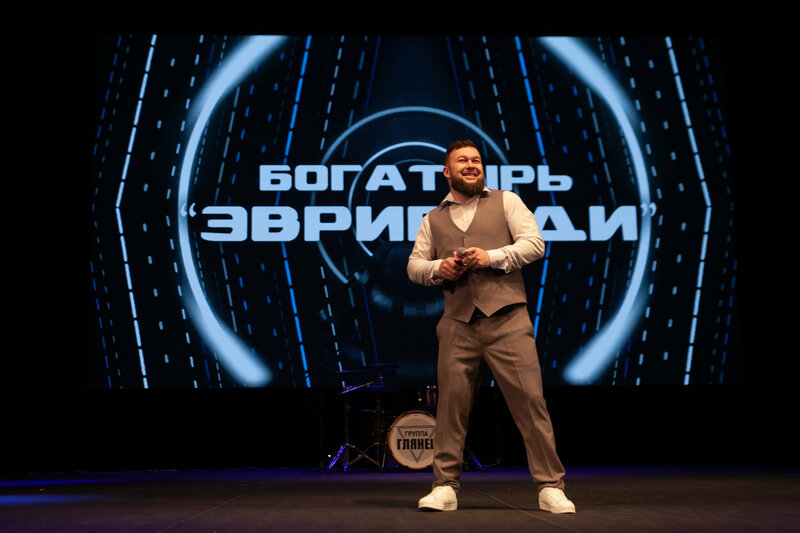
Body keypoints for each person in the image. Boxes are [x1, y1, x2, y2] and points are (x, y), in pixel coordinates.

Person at [406, 140, 575, 514]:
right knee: (451, 408)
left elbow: (534, 244)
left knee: (530, 402)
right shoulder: (432, 218)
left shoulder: (506, 201)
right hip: (458, 323)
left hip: (507, 319)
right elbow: (414, 266)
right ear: (447, 172)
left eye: (477, 160)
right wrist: (438, 268)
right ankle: (445, 487)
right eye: (462, 161)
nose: (472, 165)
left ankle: (550, 486)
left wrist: (491, 256)